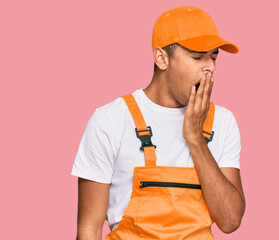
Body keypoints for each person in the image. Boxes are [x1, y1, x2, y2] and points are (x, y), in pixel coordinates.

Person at [72, 6, 245, 240]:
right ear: (162, 58)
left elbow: (230, 220)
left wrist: (195, 138)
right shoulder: (110, 121)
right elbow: (89, 230)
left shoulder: (223, 122)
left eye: (214, 57)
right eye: (197, 57)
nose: (211, 67)